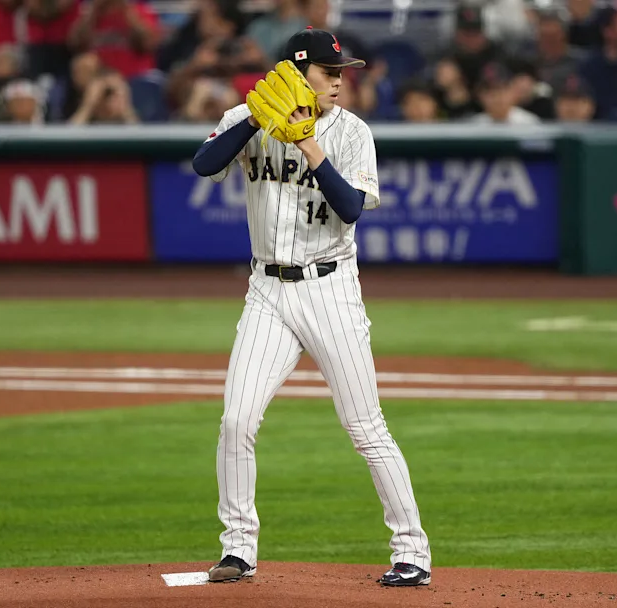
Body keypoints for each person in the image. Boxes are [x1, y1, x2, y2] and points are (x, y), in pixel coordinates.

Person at [190, 27, 433, 588]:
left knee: (365, 426)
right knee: (236, 420)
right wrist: (256, 119)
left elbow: (348, 208)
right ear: (299, 75)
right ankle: (238, 549)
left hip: (331, 289)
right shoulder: (247, 117)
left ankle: (412, 551)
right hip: (267, 291)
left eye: (342, 72)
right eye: (330, 72)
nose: (340, 81)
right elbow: (205, 164)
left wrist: (306, 141)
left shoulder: (352, 132)